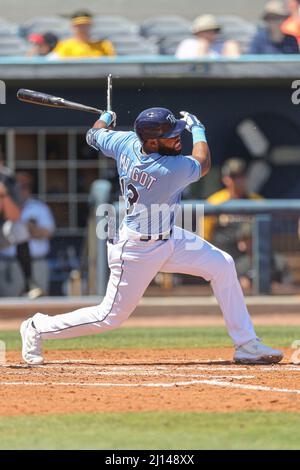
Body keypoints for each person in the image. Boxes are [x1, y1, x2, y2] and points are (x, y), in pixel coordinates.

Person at [20, 107, 282, 366]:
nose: (179, 138)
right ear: (153, 141)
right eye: (172, 135)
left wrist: (104, 119)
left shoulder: (125, 141)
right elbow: (203, 163)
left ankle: (246, 343)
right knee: (109, 317)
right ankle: (37, 327)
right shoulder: (166, 169)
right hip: (136, 250)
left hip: (169, 237)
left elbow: (93, 135)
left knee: (222, 264)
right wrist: (199, 131)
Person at [0, 172, 55, 296]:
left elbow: (47, 232)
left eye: (25, 186)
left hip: (37, 264)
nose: (20, 189)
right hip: (8, 264)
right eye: (17, 185)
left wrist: (31, 229)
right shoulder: (4, 200)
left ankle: (29, 281)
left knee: (38, 307)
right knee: (8, 310)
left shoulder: (39, 207)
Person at [204, 158, 262, 257]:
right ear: (225, 179)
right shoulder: (214, 202)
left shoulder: (257, 201)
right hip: (223, 256)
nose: (238, 180)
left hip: (250, 257)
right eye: (234, 176)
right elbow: (205, 236)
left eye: (241, 176)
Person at [0, 157, 41, 298]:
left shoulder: (8, 179)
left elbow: (15, 215)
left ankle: (29, 283)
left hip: (3, 232)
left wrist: (3, 195)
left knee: (19, 227)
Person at [175, 14, 240, 59]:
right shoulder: (188, 44)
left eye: (214, 31)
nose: (211, 34)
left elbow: (234, 69)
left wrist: (230, 48)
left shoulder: (224, 45)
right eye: (207, 31)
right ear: (197, 32)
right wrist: (203, 46)